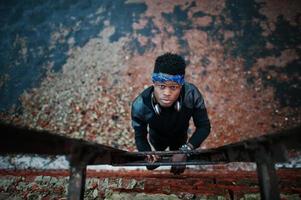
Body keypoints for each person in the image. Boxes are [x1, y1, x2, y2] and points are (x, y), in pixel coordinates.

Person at [131, 52, 211, 174]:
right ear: (154, 83)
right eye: (162, 86)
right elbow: (140, 135)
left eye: (173, 87)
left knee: (178, 169)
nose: (167, 93)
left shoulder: (191, 95)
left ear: (181, 85)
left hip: (180, 137)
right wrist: (148, 153)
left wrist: (185, 150)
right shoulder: (140, 104)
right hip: (156, 138)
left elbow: (204, 126)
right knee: (153, 163)